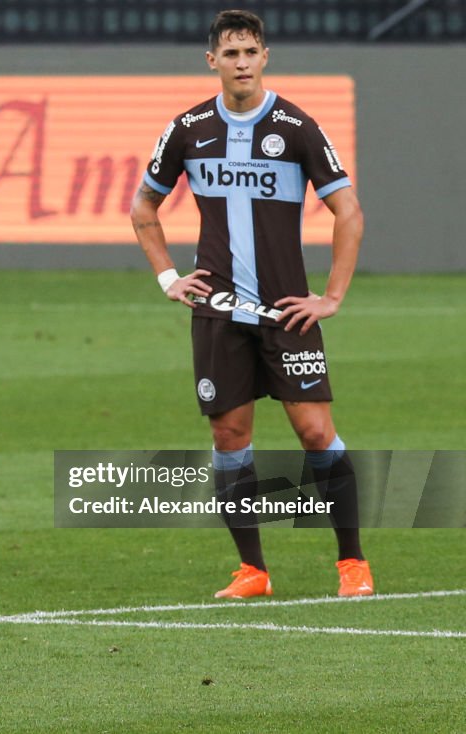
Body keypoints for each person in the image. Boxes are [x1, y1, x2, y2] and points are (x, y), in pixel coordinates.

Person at [130, 10, 373, 599]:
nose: (242, 63)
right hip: (216, 310)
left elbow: (349, 212)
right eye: (230, 53)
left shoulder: (296, 127)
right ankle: (253, 572)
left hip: (287, 309)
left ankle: (352, 564)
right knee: (229, 436)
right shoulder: (187, 129)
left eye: (251, 52)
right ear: (211, 60)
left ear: (265, 57)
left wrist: (332, 296)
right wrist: (168, 278)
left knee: (315, 431)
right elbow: (143, 209)